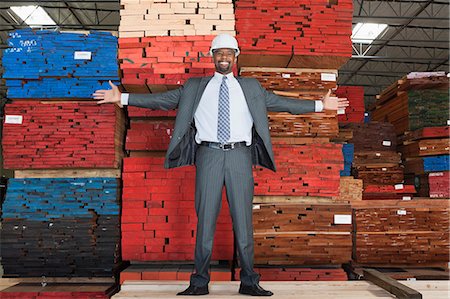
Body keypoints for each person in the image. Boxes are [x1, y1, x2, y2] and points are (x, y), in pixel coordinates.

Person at [93, 34, 349, 297]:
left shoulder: (251, 87)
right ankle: (199, 282)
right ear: (212, 56)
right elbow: (162, 100)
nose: (224, 57)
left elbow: (283, 103)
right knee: (205, 220)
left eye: (229, 53)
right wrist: (121, 98)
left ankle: (249, 281)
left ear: (235, 56)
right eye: (219, 53)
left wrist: (320, 105)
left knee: (243, 222)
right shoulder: (195, 87)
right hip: (209, 156)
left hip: (240, 156)